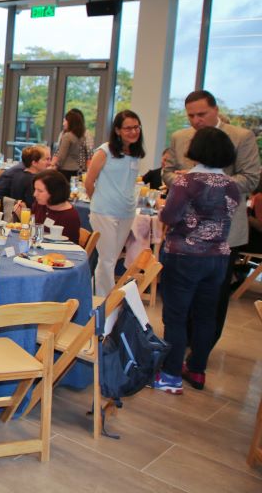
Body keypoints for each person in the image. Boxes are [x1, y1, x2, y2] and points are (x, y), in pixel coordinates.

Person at [163, 90, 261, 351]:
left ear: (215, 110)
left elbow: (250, 178)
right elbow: (168, 172)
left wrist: (206, 184)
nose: (196, 120)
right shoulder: (179, 137)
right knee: (179, 301)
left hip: (224, 233)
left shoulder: (241, 137)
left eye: (201, 114)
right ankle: (177, 349)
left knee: (212, 301)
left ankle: (200, 353)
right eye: (191, 116)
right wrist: (183, 181)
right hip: (185, 233)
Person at [153, 127, 240, 394]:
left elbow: (169, 217)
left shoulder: (186, 183)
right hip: (218, 258)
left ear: (195, 149)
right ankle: (197, 370)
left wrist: (161, 206)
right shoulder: (232, 186)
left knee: (176, 316)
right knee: (205, 316)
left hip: (185, 255)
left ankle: (170, 375)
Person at [84, 110, 145, 296]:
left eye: (136, 127)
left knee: (110, 258)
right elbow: (89, 181)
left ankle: (96, 299)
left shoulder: (135, 153)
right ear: (118, 130)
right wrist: (100, 201)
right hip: (104, 212)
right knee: (107, 260)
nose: (133, 131)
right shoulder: (105, 151)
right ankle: (107, 303)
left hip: (126, 212)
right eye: (128, 128)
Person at [27, 169, 82, 242]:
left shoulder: (69, 216)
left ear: (55, 192)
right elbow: (32, 231)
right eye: (35, 189)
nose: (35, 194)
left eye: (40, 191)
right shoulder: (40, 204)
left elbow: (70, 247)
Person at [8, 145, 51, 213]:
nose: (49, 163)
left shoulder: (18, 175)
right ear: (34, 163)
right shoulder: (33, 180)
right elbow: (34, 206)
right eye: (46, 159)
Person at [55, 109, 92, 181]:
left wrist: (55, 166)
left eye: (65, 121)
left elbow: (61, 156)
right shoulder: (81, 136)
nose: (63, 123)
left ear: (71, 122)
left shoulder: (67, 136)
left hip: (65, 170)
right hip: (78, 169)